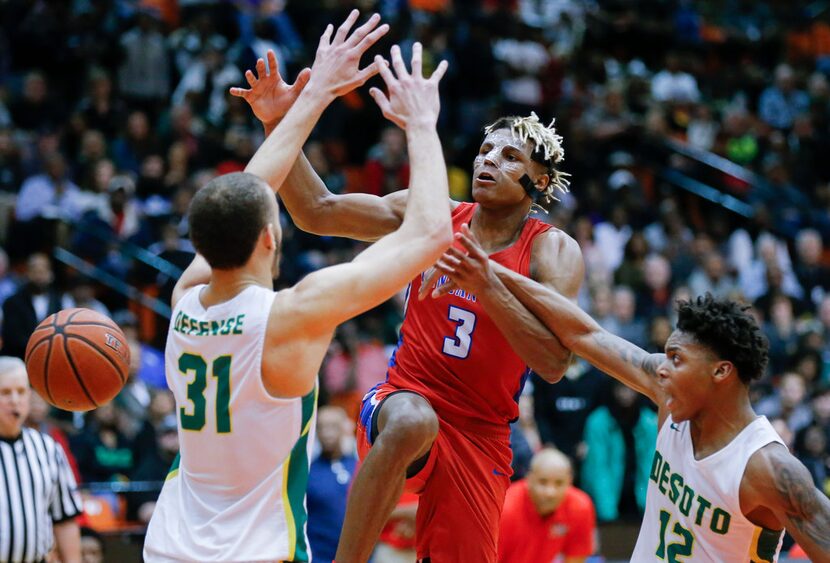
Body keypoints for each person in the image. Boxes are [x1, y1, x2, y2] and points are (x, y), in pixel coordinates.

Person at [236, 60, 583, 563]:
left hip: (482, 435)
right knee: (413, 421)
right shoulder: (432, 211)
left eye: (510, 157)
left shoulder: (553, 251)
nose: (489, 161)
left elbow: (554, 364)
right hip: (403, 398)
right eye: (486, 150)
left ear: (540, 179)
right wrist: (277, 122)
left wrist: (483, 284)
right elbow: (317, 211)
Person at [143, 11, 453, 562]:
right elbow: (430, 232)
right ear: (269, 236)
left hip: (168, 546)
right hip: (255, 552)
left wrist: (301, 107)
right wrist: (422, 124)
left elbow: (247, 190)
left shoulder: (184, 299)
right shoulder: (291, 315)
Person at [431, 232, 830, 561]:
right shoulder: (668, 396)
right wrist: (491, 276)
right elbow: (584, 334)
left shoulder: (767, 468)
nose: (661, 368)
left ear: (721, 371)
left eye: (676, 359)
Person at [0, 356, 82, 563]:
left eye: (21, 392)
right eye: (5, 393)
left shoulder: (48, 448)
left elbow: (65, 520)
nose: (15, 400)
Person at [498, 448, 596, 563]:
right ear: (529, 479)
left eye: (559, 483)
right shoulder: (504, 510)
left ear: (569, 482)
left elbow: (576, 558)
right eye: (543, 482)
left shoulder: (580, 507)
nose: (550, 492)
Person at [307, 406, 358, 562]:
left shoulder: (360, 467)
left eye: (333, 426)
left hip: (359, 555)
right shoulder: (308, 472)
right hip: (319, 555)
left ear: (345, 428)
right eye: (322, 427)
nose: (327, 432)